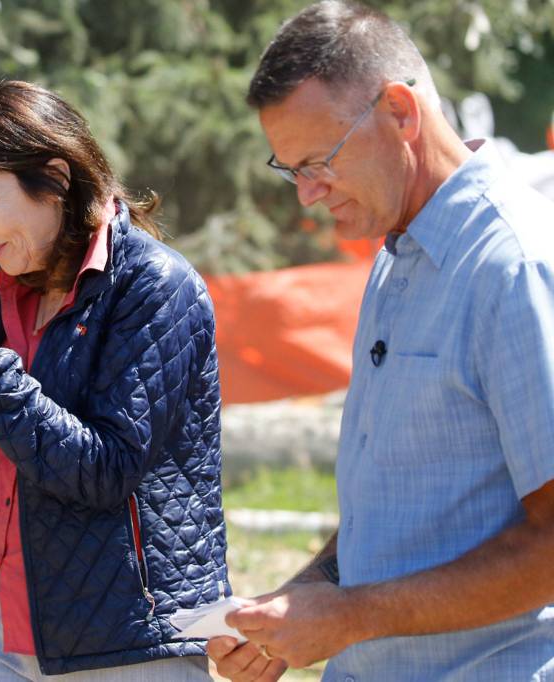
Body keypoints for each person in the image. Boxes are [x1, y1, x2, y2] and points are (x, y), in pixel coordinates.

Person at [205, 2, 554, 680]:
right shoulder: (397, 251)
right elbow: (402, 510)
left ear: (400, 110)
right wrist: (308, 593)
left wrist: (350, 616)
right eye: (290, 170)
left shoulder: (512, 264)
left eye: (319, 161)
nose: (306, 194)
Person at [0, 80, 227, 679]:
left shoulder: (157, 287)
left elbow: (105, 471)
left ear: (52, 179)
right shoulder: (8, 292)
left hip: (126, 637)